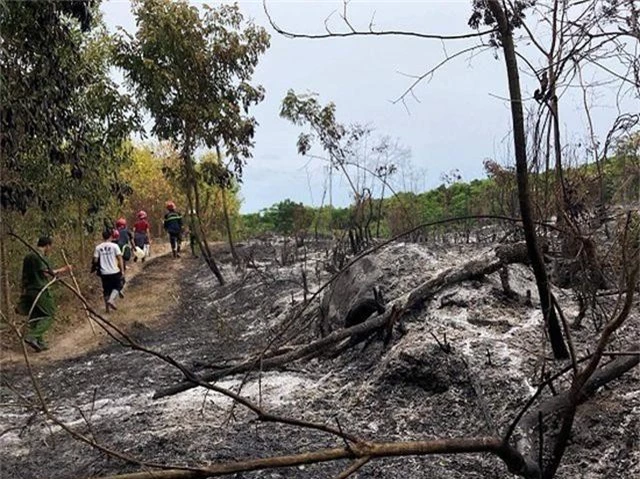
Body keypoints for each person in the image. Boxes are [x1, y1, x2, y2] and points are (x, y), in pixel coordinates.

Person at [17, 236, 72, 352]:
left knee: (37, 316)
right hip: (39, 289)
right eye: (50, 247)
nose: (50, 249)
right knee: (49, 314)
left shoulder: (27, 256)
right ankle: (32, 336)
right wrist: (64, 269)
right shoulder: (39, 256)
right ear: (47, 245)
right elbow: (47, 273)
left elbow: (24, 276)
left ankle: (39, 343)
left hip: (29, 290)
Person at [93, 229, 124, 312]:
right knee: (118, 286)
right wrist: (122, 270)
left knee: (106, 290)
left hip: (104, 272)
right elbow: (120, 259)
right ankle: (111, 300)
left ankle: (107, 309)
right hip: (114, 271)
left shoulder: (98, 247)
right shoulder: (115, 246)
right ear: (111, 236)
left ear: (102, 237)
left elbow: (95, 260)